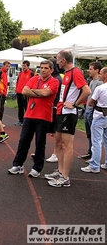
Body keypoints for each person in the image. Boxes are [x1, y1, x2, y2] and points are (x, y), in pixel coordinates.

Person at [45, 50, 91, 187]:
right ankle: (60, 172)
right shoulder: (66, 74)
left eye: (58, 59)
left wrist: (75, 104)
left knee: (66, 145)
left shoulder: (75, 72)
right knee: (58, 142)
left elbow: (87, 91)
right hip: (61, 111)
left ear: (64, 61)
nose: (56, 61)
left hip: (68, 113)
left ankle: (65, 177)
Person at [7, 60, 59, 177]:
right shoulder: (34, 79)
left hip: (44, 116)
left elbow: (46, 93)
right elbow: (24, 91)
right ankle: (18, 165)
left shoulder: (54, 82)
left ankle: (37, 168)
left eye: (46, 68)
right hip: (29, 115)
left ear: (51, 70)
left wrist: (33, 92)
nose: (43, 70)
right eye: (42, 67)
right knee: (23, 141)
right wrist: (38, 93)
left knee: (40, 143)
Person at [80, 66, 107, 173]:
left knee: (96, 141)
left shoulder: (100, 88)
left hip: (99, 115)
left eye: (100, 73)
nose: (99, 75)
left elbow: (91, 102)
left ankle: (95, 165)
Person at [77, 62, 103, 160]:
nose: (89, 70)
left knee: (94, 135)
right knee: (89, 133)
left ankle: (94, 156)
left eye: (91, 69)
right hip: (87, 110)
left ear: (97, 70)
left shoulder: (99, 83)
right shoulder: (91, 81)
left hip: (92, 111)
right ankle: (90, 152)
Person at [15, 60, 34, 126]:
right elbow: (17, 82)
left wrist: (30, 91)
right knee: (20, 107)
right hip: (19, 92)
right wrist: (16, 89)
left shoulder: (31, 73)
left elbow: (33, 83)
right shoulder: (20, 73)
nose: (23, 67)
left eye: (25, 66)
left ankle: (26, 120)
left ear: (28, 66)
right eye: (23, 66)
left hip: (26, 93)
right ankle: (20, 120)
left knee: (26, 106)